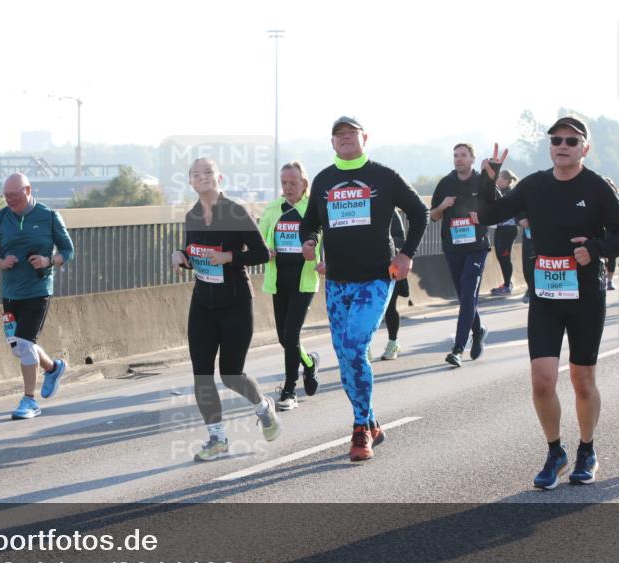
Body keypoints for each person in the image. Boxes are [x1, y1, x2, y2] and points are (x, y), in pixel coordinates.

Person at [477, 116, 619, 489]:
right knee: (543, 381)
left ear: (585, 149)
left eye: (571, 141)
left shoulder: (597, 187)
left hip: (586, 295)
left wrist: (594, 249)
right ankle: (555, 452)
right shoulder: (534, 185)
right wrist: (487, 181)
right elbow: (489, 215)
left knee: (582, 379)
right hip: (546, 295)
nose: (562, 146)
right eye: (556, 140)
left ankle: (587, 450)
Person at [299, 116, 429, 462]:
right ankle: (370, 420)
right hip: (337, 282)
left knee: (356, 346)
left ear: (364, 138)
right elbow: (310, 222)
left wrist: (406, 254)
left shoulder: (383, 176)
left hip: (375, 278)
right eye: (338, 135)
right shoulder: (324, 180)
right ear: (332, 142)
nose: (345, 138)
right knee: (345, 358)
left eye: (351, 133)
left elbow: (420, 212)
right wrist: (309, 241)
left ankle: (360, 429)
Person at [171, 157, 278, 462]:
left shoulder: (235, 212)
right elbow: (194, 254)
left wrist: (230, 257)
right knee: (202, 375)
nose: (202, 177)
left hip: (235, 303)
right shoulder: (192, 215)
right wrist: (180, 255)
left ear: (219, 178)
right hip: (203, 303)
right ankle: (217, 439)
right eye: (196, 174)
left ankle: (263, 407)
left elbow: (262, 253)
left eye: (208, 172)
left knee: (231, 374)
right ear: (190, 182)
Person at [0, 173, 74, 419]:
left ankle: (29, 400)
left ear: (28, 190)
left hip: (38, 290)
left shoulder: (49, 216)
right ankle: (53, 368)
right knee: (18, 347)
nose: (10, 200)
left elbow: (68, 251)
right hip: (10, 292)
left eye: (14, 195)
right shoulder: (0, 218)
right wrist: (2, 263)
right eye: (6, 196)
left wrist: (48, 261)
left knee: (25, 344)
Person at [258, 161, 322, 411]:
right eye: (284, 183)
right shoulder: (274, 208)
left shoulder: (313, 209)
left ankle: (289, 390)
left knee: (291, 334)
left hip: (304, 280)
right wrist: (266, 249)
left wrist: (318, 254)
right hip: (279, 280)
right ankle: (309, 363)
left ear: (304, 184)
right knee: (284, 338)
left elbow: (325, 237)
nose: (288, 187)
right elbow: (259, 237)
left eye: (293, 183)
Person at [431, 143, 490, 367]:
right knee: (465, 296)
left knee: (467, 296)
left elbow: (497, 209)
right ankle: (478, 330)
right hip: (453, 248)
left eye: (463, 155)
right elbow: (433, 216)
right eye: (455, 155)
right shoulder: (446, 183)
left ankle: (458, 349)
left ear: (472, 158)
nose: (458, 159)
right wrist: (442, 206)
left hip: (476, 248)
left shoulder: (481, 182)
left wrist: (481, 216)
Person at [380, 209, 412, 360]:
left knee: (390, 305)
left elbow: (400, 237)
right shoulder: (360, 208)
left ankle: (393, 342)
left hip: (391, 265)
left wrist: (388, 249)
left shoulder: (390, 210)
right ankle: (365, 347)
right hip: (366, 264)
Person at [490, 169, 520, 296]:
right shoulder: (498, 191)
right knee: (500, 257)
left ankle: (508, 285)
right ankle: (507, 282)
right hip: (499, 228)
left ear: (507, 181)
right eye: (497, 178)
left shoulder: (511, 192)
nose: (497, 180)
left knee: (505, 257)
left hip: (509, 229)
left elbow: (504, 204)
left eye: (500, 178)